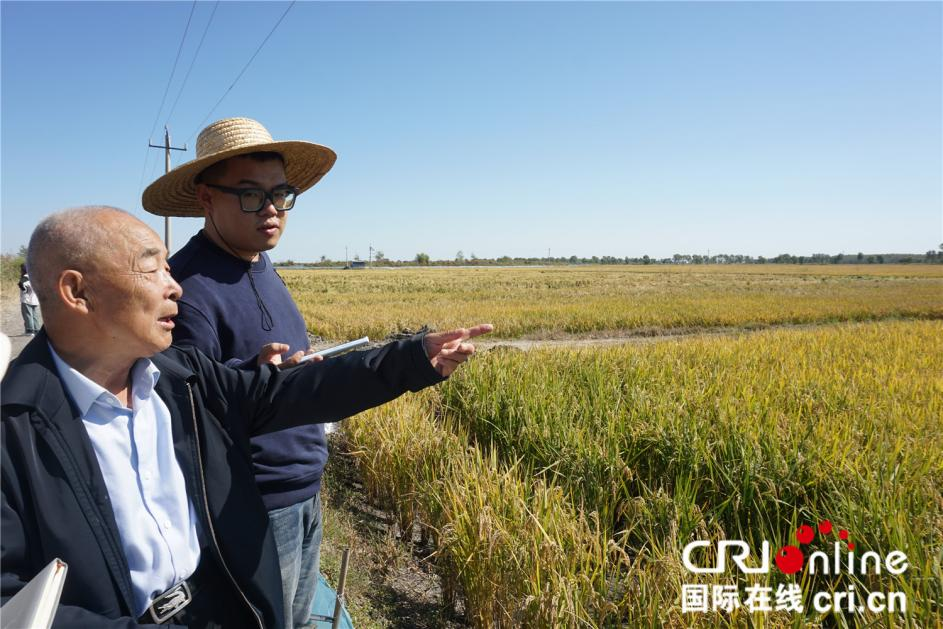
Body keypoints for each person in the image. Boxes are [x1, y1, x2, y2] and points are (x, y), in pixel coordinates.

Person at [1, 206, 491, 627]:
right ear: (76, 291)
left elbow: (292, 390)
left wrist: (410, 359)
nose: (176, 288)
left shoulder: (179, 377)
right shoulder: (13, 429)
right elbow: (10, 600)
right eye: (152, 271)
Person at [141, 117, 340, 627]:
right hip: (255, 506)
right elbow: (183, 407)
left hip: (301, 489)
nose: (272, 210)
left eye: (281, 193)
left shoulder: (259, 263)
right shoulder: (188, 288)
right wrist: (248, 376)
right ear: (207, 199)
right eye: (251, 196)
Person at [17, 264, 41, 336]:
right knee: (34, 315)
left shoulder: (24, 278)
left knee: (28, 315)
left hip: (26, 300)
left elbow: (21, 284)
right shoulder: (34, 276)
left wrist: (25, 290)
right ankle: (36, 330)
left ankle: (30, 331)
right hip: (35, 300)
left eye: (21, 269)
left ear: (23, 270)